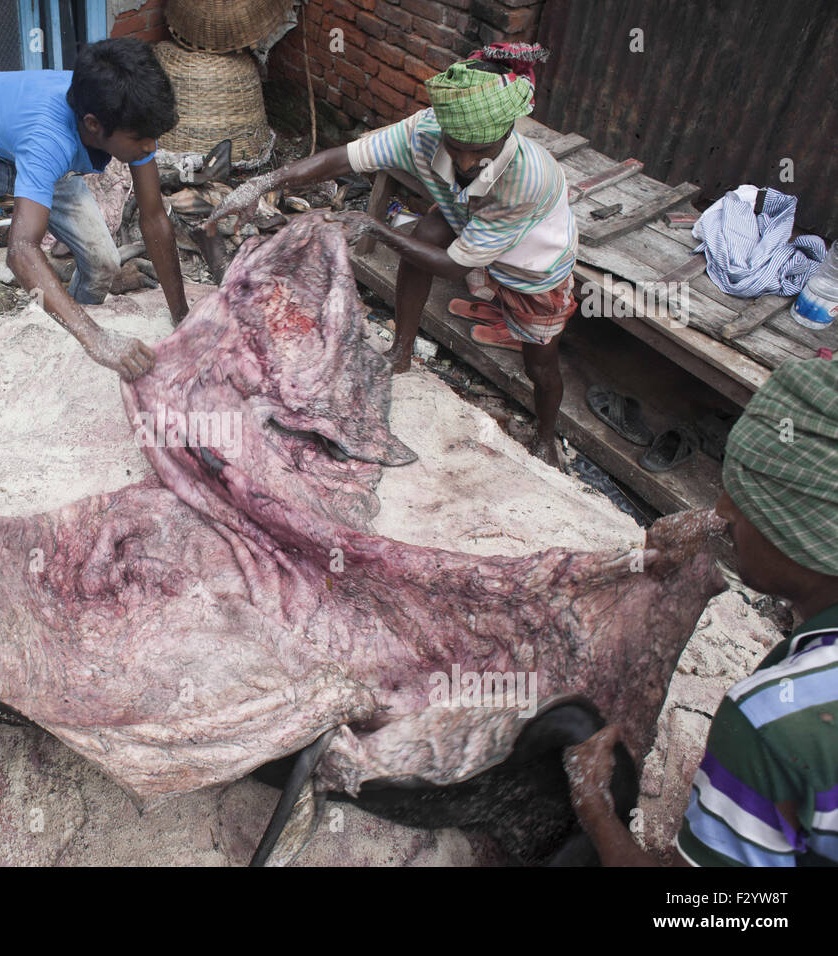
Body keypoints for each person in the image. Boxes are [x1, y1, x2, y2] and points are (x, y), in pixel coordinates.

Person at [206, 47, 577, 469]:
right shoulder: (424, 131)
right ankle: (401, 350)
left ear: (509, 130)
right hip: (468, 220)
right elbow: (343, 157)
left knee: (540, 363)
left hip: (532, 266)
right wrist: (265, 182)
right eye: (457, 148)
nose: (469, 162)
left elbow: (456, 266)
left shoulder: (527, 180)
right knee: (427, 233)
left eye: (482, 150)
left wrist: (377, 228)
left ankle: (546, 436)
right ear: (443, 131)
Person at [565, 357, 838, 865]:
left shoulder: (773, 721)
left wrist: (596, 809)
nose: (726, 512)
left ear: (808, 540)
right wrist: (713, 524)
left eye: (746, 503)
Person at [0, 37, 188, 412]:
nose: (151, 147)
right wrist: (99, 339)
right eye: (141, 140)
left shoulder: (124, 112)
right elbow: (20, 251)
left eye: (154, 138)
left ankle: (67, 334)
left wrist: (181, 316)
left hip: (37, 152)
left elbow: (153, 216)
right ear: (93, 125)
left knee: (104, 262)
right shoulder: (48, 137)